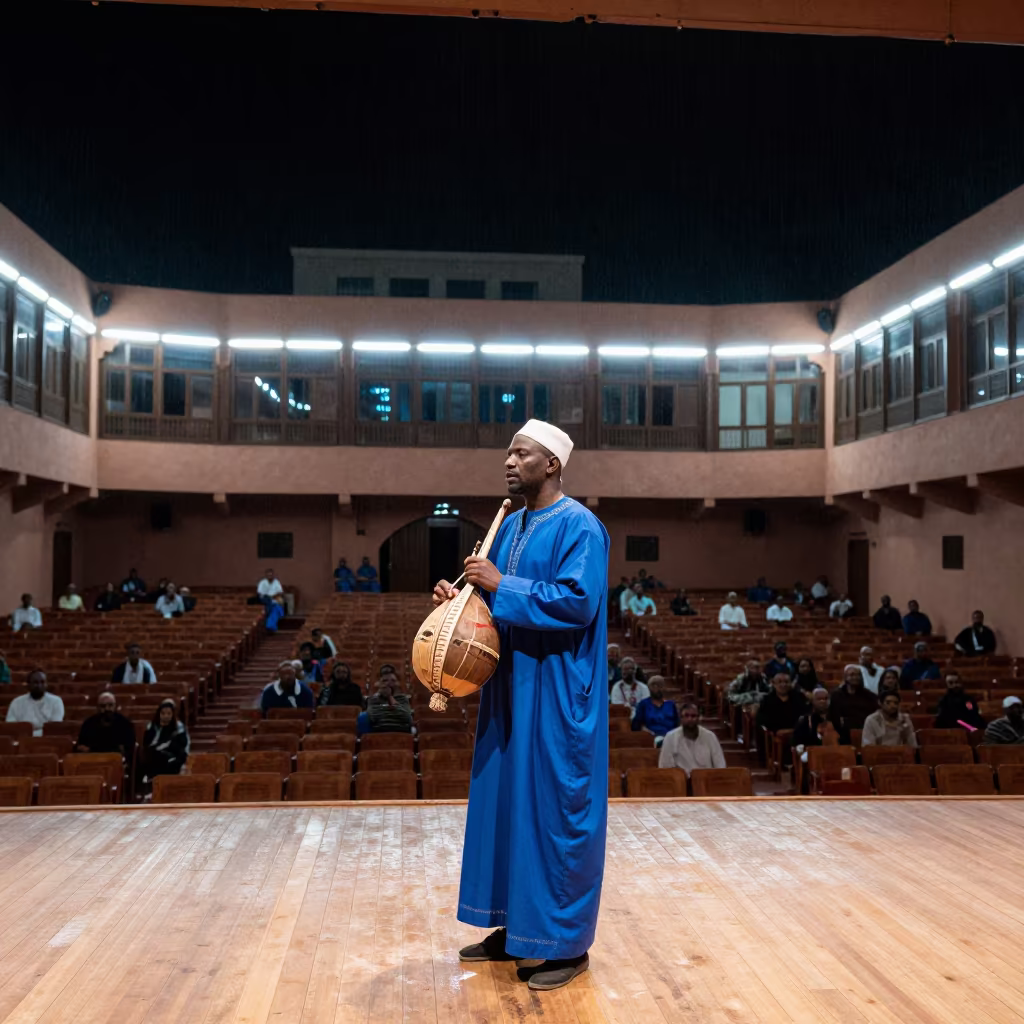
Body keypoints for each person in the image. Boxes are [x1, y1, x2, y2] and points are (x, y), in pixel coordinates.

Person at [439, 418, 608, 991]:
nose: (509, 462)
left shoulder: (580, 526)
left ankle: (565, 944)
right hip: (510, 686)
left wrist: (499, 586)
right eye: (508, 453)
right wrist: (464, 598)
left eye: (521, 454)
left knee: (555, 815)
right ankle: (512, 929)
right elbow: (495, 603)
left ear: (551, 464)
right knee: (504, 807)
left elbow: (577, 603)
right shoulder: (509, 525)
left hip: (556, 692)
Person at [658, 703, 726, 776]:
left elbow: (720, 765)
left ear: (699, 718)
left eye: (693, 716)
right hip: (681, 784)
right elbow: (665, 768)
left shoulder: (710, 737)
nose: (690, 719)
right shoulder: (670, 738)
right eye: (686, 716)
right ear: (681, 718)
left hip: (706, 782)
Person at [827, 665, 880, 744]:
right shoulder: (836, 695)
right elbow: (834, 717)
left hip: (865, 731)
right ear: (845, 677)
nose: (855, 677)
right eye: (852, 675)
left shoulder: (870, 696)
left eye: (858, 675)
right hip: (843, 733)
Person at [76, 692, 137, 759]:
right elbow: (81, 746)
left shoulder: (125, 724)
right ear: (98, 708)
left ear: (115, 706)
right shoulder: (88, 724)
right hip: (93, 761)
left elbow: (130, 748)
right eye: (103, 706)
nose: (107, 709)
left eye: (110, 705)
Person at [141, 699, 189, 781]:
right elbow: (147, 744)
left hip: (173, 756)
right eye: (163, 713)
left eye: (169, 713)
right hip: (155, 756)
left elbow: (181, 746)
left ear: (172, 714)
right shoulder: (152, 726)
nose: (166, 716)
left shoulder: (178, 727)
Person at [5, 670, 64, 736]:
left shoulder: (56, 701)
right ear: (28, 685)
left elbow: (53, 728)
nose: (39, 686)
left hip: (47, 739)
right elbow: (11, 727)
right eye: (35, 682)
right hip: (22, 740)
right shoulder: (16, 702)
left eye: (42, 682)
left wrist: (31, 734)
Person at [756, 673, 810, 740]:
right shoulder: (767, 700)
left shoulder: (799, 697)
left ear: (790, 683)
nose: (783, 685)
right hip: (775, 736)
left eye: (786, 682)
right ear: (774, 684)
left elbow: (805, 715)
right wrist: (776, 731)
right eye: (779, 682)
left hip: (797, 733)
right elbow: (762, 720)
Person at [630, 676, 679, 744]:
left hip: (670, 738)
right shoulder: (643, 704)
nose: (657, 688)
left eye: (660, 685)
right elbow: (637, 725)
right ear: (649, 688)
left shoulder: (671, 704)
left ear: (664, 687)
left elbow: (677, 725)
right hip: (650, 739)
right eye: (653, 685)